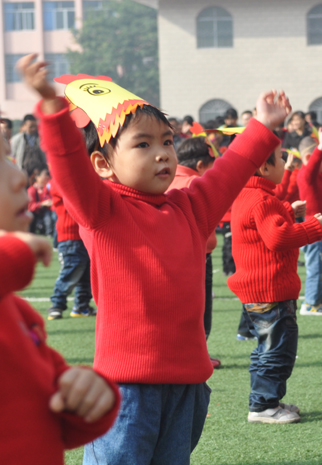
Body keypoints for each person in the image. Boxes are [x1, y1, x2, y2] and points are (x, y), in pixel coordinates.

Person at [20, 53, 289, 463]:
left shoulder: (191, 207)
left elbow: (231, 169)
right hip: (126, 387)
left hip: (187, 386)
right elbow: (68, 166)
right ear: (102, 164)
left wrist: (263, 126)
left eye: (166, 141)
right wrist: (54, 110)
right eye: (143, 144)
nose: (162, 153)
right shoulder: (101, 212)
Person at [0, 144, 119, 464]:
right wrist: (12, 254)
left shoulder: (18, 312)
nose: (19, 176)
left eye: (7, 158)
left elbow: (50, 417)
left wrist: (87, 395)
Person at [227, 141, 322, 424]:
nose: (285, 163)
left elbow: (264, 228)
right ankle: (263, 406)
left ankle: (265, 400)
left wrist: (288, 212)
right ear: (264, 167)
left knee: (266, 350)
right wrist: (313, 228)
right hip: (270, 290)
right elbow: (278, 238)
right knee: (277, 351)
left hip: (259, 289)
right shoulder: (262, 200)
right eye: (281, 158)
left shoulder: (249, 195)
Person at [170, 137, 222, 369]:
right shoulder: (195, 183)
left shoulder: (167, 179)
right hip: (198, 255)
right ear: (201, 165)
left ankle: (182, 353)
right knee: (200, 309)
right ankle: (197, 355)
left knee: (178, 308)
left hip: (171, 255)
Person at [298, 131, 322, 315]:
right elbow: (313, 166)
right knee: (317, 268)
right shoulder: (307, 175)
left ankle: (319, 301)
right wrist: (321, 147)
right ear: (309, 157)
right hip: (315, 232)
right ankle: (310, 303)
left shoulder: (320, 175)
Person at [47, 182, 94, 320]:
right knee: (71, 271)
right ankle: (57, 305)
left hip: (83, 234)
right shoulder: (59, 180)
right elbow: (75, 195)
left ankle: (82, 306)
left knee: (86, 274)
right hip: (70, 235)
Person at [27, 166, 54, 236]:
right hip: (37, 215)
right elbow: (30, 207)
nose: (48, 177)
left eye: (48, 175)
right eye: (45, 174)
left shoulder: (48, 188)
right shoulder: (32, 190)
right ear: (37, 177)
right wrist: (42, 204)